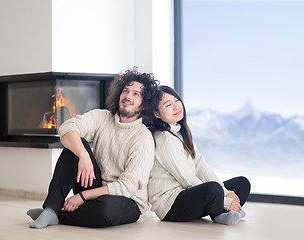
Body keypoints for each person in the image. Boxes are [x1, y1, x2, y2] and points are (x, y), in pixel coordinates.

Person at [27, 67, 159, 228]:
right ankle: (51, 209)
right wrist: (83, 155)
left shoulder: (143, 138)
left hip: (127, 200)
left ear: (144, 105)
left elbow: (127, 187)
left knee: (105, 209)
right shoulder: (102, 117)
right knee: (76, 144)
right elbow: (68, 127)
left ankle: (59, 216)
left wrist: (82, 196)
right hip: (95, 188)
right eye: (126, 91)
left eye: (136, 94)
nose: (128, 96)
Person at [147, 86, 251, 225]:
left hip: (189, 195)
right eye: (168, 105)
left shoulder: (180, 133)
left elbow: (201, 165)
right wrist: (225, 201)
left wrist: (226, 192)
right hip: (171, 205)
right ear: (157, 114)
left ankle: (222, 212)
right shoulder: (163, 138)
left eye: (176, 100)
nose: (176, 106)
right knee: (213, 189)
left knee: (242, 183)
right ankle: (221, 212)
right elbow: (187, 179)